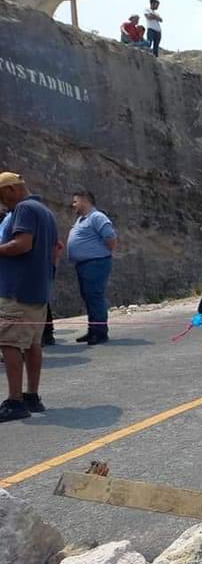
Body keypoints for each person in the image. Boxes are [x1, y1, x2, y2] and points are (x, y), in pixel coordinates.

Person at [0, 173, 58, 422]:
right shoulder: (45, 211)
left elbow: (22, 244)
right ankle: (32, 396)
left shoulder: (23, 208)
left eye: (2, 196)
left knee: (10, 343)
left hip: (17, 289)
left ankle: (15, 401)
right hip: (38, 289)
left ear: (12, 189)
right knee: (33, 343)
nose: (3, 204)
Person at [68, 190, 117, 345]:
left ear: (85, 201)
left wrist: (100, 253)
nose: (73, 204)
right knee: (88, 297)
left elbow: (110, 239)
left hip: (95, 263)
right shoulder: (81, 219)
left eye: (75, 201)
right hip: (85, 264)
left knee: (95, 297)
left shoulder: (97, 217)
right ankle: (93, 330)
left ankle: (100, 333)